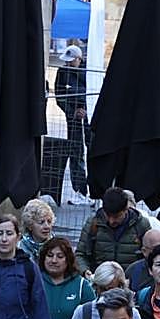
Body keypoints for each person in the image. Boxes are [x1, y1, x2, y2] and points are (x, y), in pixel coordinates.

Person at [75, 186, 154, 274]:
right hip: (100, 280)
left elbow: (152, 257)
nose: (111, 221)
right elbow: (80, 255)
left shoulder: (141, 225)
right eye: (107, 215)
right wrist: (85, 271)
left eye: (116, 217)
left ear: (126, 210)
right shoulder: (93, 224)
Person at [54, 45, 92, 206]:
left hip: (90, 119)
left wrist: (87, 110)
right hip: (73, 119)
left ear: (79, 59)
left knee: (93, 152)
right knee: (76, 153)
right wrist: (72, 112)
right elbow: (59, 95)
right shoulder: (62, 73)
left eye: (72, 61)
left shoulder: (90, 72)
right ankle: (80, 190)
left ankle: (95, 191)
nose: (69, 64)